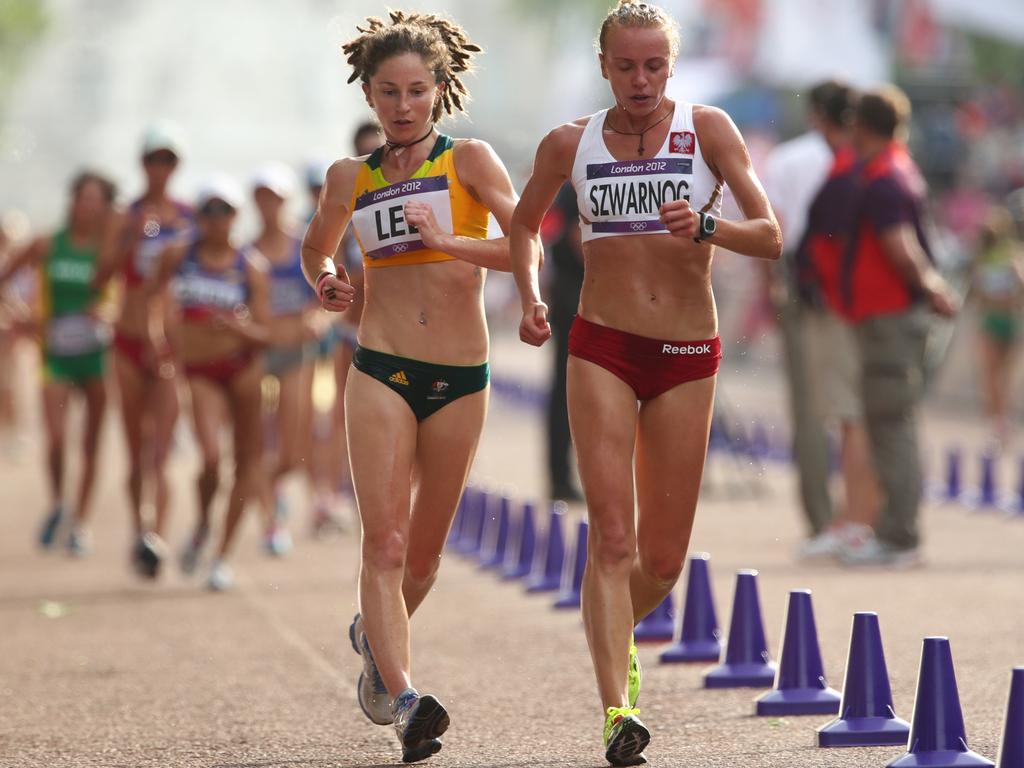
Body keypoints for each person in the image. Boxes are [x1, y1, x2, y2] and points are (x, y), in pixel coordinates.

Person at [510, 2, 781, 764]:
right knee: (613, 536)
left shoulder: (711, 129)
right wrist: (533, 295)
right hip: (601, 345)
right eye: (626, 65)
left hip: (687, 352)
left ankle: (608, 627)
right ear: (603, 67)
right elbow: (525, 224)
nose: (640, 79)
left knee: (661, 560)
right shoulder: (571, 141)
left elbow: (770, 236)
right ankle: (616, 709)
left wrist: (705, 227)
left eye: (654, 65)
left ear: (673, 64)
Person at [301, 11, 518, 762]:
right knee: (385, 542)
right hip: (381, 367)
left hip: (461, 376)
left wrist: (450, 241)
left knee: (422, 559)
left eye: (417, 90)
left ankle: (372, 640)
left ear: (440, 90)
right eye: (388, 91)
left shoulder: (470, 161)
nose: (403, 105)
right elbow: (315, 249)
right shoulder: (348, 178)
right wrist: (328, 280)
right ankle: (406, 698)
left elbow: (528, 246)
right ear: (368, 93)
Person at [838, 86, 957, 567]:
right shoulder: (897, 166)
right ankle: (896, 529)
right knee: (891, 422)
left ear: (861, 125)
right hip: (889, 315)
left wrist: (932, 287)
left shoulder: (884, 177)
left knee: (891, 423)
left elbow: (901, 247)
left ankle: (899, 534)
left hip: (890, 318)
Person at [151, 176, 271, 590]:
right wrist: (162, 342)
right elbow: (154, 300)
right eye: (209, 211)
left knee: (247, 462)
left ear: (236, 216)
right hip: (200, 372)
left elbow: (266, 332)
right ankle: (203, 522)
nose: (217, 220)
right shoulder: (178, 256)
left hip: (243, 369)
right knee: (210, 457)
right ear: (198, 215)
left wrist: (240, 328)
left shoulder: (250, 267)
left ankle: (222, 555)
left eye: (225, 211)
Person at [0, 172, 117, 555]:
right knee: (54, 439)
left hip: (96, 358)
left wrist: (108, 314)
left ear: (106, 207)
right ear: (72, 201)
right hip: (55, 357)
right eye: (82, 198)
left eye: (96, 201)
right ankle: (57, 504)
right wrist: (21, 317)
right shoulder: (48, 245)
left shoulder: (110, 251)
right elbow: (6, 278)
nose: (87, 207)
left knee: (90, 444)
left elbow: (125, 300)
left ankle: (80, 523)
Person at [95, 124, 192, 578]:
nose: (161, 169)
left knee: (162, 451)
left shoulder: (190, 217)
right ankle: (141, 531)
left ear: (177, 166)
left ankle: (160, 538)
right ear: (142, 164)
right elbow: (101, 279)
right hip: (128, 343)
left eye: (168, 160)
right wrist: (131, 237)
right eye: (154, 159)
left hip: (169, 348)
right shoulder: (124, 215)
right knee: (136, 450)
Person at [763, 80, 852, 554]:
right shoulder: (864, 158)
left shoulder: (788, 159)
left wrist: (772, 291)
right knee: (858, 408)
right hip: (857, 291)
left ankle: (822, 522)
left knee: (810, 410)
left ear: (815, 112)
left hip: (804, 288)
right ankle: (863, 517)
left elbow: (772, 230)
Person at [249, 163, 321, 553]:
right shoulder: (246, 253)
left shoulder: (303, 247)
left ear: (285, 201)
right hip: (258, 357)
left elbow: (324, 300)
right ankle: (271, 524)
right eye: (261, 198)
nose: (268, 205)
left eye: (274, 198)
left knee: (294, 452)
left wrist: (317, 319)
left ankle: (275, 486)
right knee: (260, 441)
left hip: (296, 353)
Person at [543, 183, 586, 503]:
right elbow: (576, 238)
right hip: (577, 296)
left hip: (582, 292)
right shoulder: (576, 179)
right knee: (569, 391)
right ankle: (561, 479)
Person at [968, 206, 1023, 449]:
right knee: (993, 378)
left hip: (1007, 321)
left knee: (999, 378)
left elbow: (1018, 287)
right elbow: (978, 293)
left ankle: (1000, 423)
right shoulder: (983, 257)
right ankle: (998, 425)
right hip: (992, 321)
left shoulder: (1011, 255)